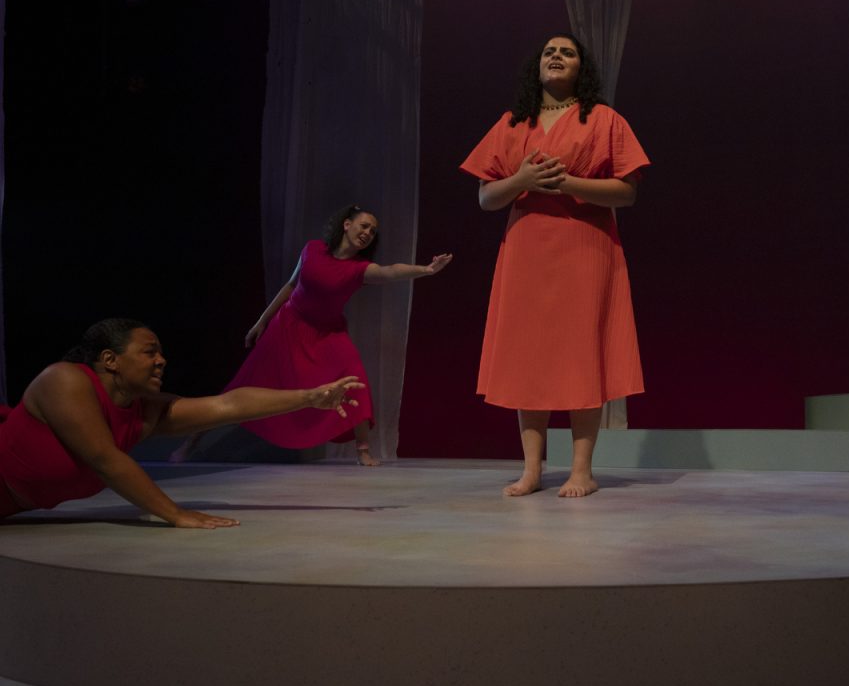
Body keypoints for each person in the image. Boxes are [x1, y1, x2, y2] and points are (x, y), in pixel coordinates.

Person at [461, 32, 649, 498]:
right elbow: (486, 197)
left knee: (581, 354)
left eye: (567, 52)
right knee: (530, 358)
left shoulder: (603, 119)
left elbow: (627, 192)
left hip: (584, 248)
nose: (557, 57)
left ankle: (582, 469)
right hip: (526, 250)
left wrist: (570, 183)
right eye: (549, 51)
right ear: (537, 66)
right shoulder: (512, 123)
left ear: (581, 68)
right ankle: (532, 469)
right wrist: (522, 178)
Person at [0, 318, 364, 527]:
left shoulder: (146, 411)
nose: (162, 360)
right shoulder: (64, 380)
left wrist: (310, 397)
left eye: (160, 352)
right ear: (110, 359)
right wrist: (174, 513)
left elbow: (227, 405)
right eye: (149, 351)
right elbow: (105, 460)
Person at [224, 205, 451, 466]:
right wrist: (261, 322)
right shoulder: (312, 249)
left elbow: (390, 271)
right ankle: (193, 439)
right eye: (364, 226)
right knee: (247, 382)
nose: (368, 233)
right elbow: (290, 285)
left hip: (328, 332)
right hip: (288, 325)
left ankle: (363, 450)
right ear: (346, 224)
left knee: (355, 379)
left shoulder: (360, 270)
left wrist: (426, 270)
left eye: (373, 231)